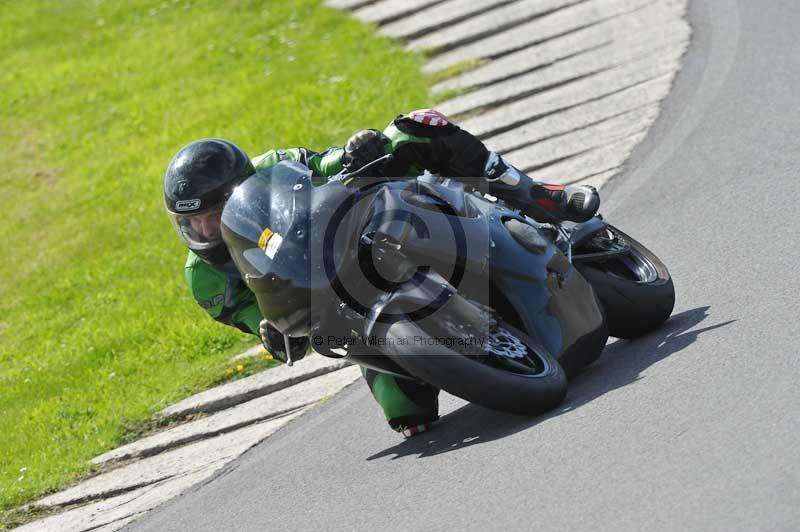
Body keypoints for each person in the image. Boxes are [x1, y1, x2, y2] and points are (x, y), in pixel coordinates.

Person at [163, 109, 600, 438]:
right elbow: (256, 317)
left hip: (358, 236)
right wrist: (270, 332)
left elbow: (326, 167)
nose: (206, 229)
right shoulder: (203, 277)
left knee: (413, 126)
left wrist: (357, 150)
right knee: (407, 415)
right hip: (338, 308)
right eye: (195, 223)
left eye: (215, 214)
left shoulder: (272, 166)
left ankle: (540, 197)